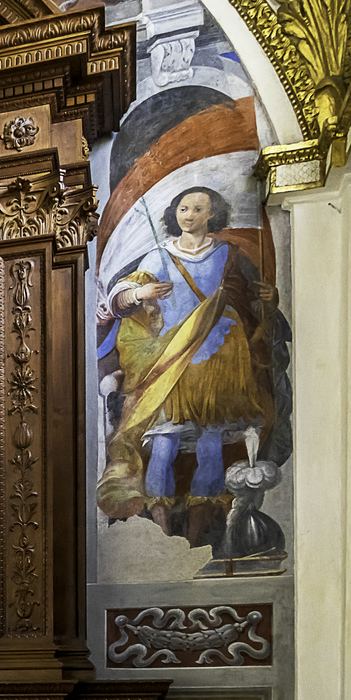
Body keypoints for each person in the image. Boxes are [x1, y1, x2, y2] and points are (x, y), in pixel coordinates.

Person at [97, 186, 280, 545]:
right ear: (174, 213)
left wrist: (268, 301)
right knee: (163, 444)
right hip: (173, 360)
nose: (189, 214)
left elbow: (252, 302)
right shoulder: (159, 255)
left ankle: (197, 531)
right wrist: (141, 294)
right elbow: (120, 299)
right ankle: (164, 534)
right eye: (184, 208)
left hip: (221, 358)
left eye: (198, 208)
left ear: (212, 215)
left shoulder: (228, 254)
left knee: (211, 442)